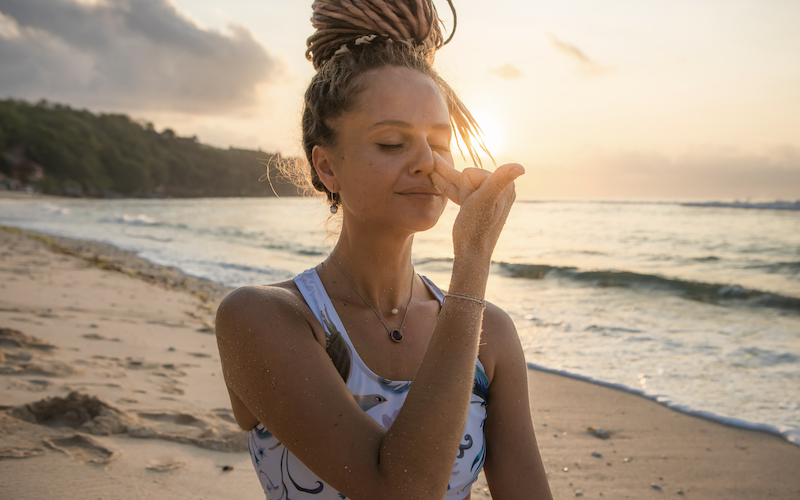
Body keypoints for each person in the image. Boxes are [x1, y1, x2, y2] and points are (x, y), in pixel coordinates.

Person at [215, 1, 553, 498]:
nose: (424, 162)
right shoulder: (262, 318)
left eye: (439, 142)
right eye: (393, 143)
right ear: (327, 167)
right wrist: (473, 260)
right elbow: (400, 490)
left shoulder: (492, 334)